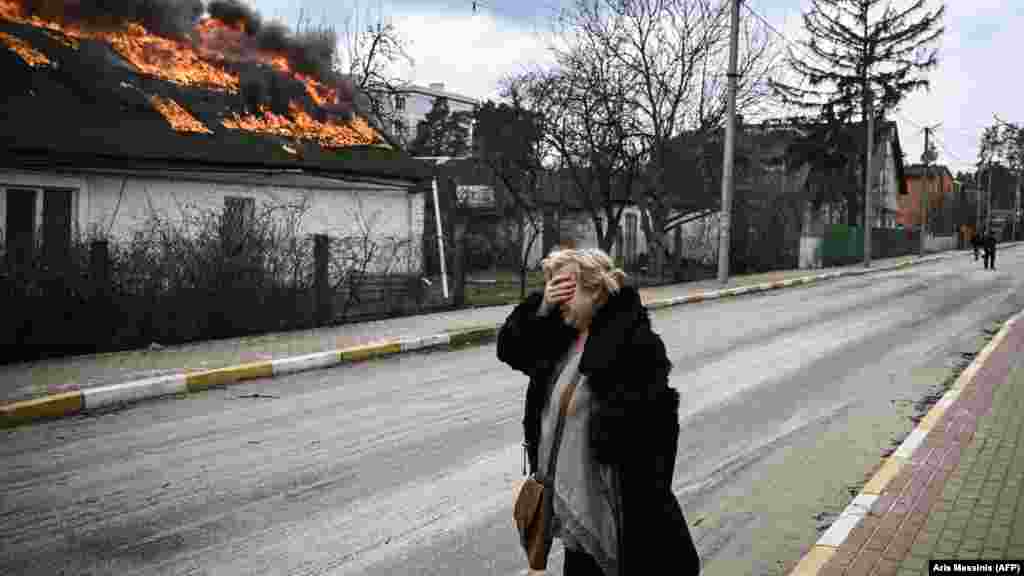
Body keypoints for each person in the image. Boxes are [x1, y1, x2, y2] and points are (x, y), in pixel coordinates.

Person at [497, 248, 699, 576]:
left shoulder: (633, 343)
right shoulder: (561, 335)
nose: (559, 298)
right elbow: (509, 348)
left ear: (595, 290)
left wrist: (632, 496)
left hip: (610, 512)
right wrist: (542, 306)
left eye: (566, 289)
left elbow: (659, 436)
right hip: (572, 511)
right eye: (552, 287)